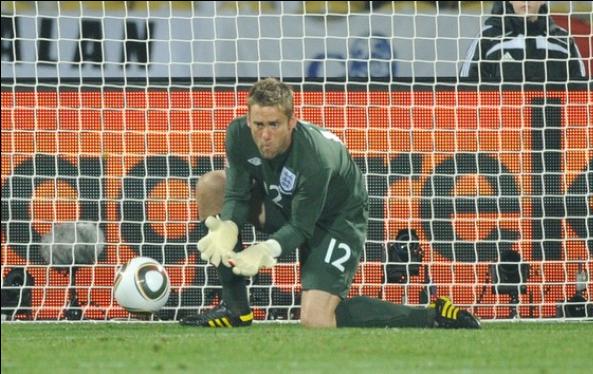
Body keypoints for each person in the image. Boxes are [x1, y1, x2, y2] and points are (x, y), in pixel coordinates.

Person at [179, 78, 480, 329]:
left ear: (292, 122)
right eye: (258, 124)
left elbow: (301, 226)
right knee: (211, 186)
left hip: (336, 216)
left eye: (274, 124)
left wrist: (263, 250)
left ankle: (432, 315)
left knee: (316, 319)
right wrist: (229, 225)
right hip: (283, 203)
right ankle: (235, 309)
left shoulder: (316, 158)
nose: (265, 135)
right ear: (248, 120)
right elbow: (236, 195)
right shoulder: (238, 135)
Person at [460, 1, 586, 82]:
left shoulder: (563, 41)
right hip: (502, 122)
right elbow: (466, 91)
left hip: (552, 122)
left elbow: (580, 95)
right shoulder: (487, 38)